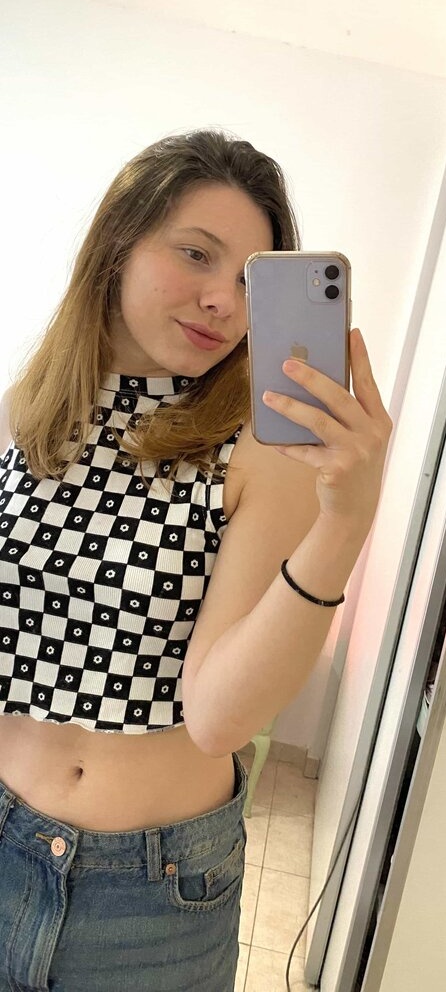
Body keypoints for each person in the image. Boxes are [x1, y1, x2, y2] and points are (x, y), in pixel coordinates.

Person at [0, 128, 392, 991]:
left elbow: (217, 719)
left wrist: (344, 524)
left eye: (250, 281)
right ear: (116, 245)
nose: (224, 301)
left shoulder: (257, 447)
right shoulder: (28, 411)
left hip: (148, 893)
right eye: (196, 254)